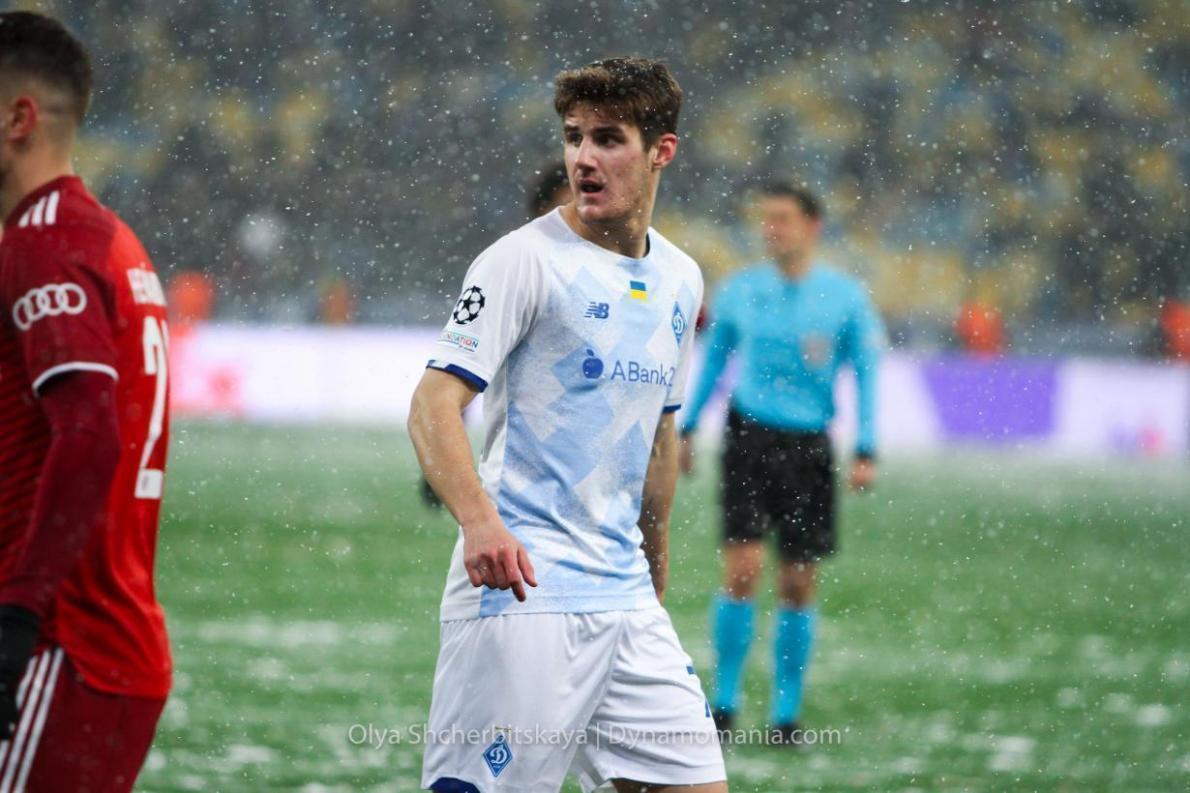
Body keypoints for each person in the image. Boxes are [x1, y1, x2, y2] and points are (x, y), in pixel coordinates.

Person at [409, 58, 727, 793]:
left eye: (608, 138)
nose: (584, 156)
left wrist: (654, 554)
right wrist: (479, 523)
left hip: (625, 597)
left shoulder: (682, 278)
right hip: (524, 591)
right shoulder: (521, 262)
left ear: (662, 151)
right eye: (574, 136)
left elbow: (659, 434)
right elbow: (431, 404)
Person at [0, 11, 172, 790]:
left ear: (18, 119)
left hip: (60, 645)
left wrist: (18, 613)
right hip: (98, 645)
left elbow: (89, 432)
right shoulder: (105, 237)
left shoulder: (44, 242)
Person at [678, 182, 884, 746]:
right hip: (748, 439)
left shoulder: (845, 298)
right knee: (742, 571)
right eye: (766, 219)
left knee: (797, 582)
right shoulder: (741, 291)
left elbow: (867, 373)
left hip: (808, 448)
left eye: (783, 219)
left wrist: (866, 447)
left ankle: (785, 716)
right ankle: (724, 704)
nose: (772, 229)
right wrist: (687, 426)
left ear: (812, 227)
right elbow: (714, 361)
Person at [419, 159, 571, 510]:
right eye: (563, 206)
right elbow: (451, 384)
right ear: (541, 210)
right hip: (519, 498)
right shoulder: (518, 268)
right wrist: (444, 464)